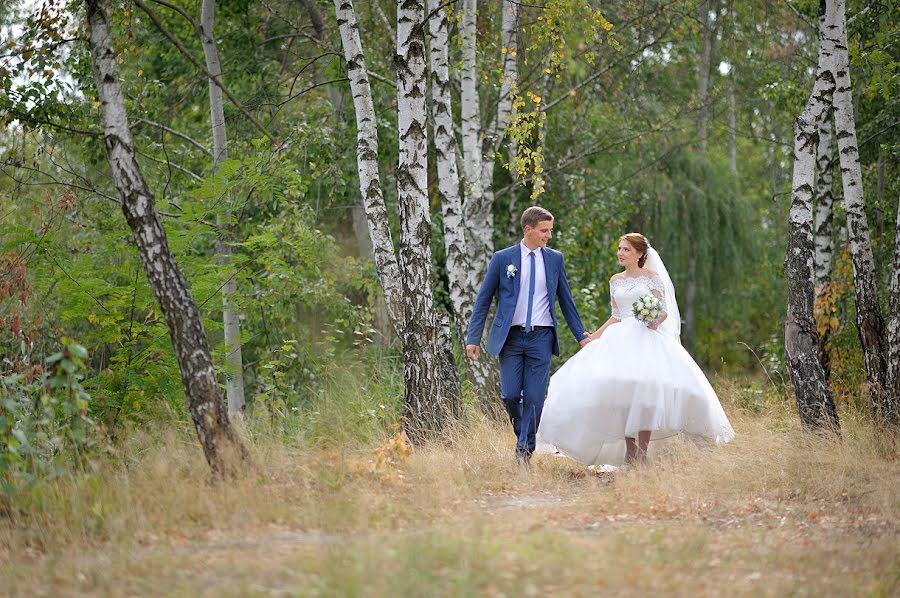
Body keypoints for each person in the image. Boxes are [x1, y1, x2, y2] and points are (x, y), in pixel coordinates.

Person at [537, 233, 735, 468]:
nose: (620, 253)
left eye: (626, 250)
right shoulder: (615, 280)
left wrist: (654, 321)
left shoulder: (652, 278)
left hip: (648, 338)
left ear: (640, 254)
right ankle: (630, 453)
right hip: (620, 339)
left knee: (647, 396)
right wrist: (594, 336)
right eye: (620, 249)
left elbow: (663, 310)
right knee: (625, 395)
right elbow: (616, 315)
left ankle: (642, 453)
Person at [466, 207, 591, 466]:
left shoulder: (555, 259)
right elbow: (484, 299)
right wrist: (473, 337)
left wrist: (581, 336)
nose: (549, 236)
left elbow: (566, 300)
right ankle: (525, 433)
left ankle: (523, 451)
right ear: (528, 229)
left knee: (534, 397)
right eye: (544, 231)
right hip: (510, 338)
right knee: (510, 395)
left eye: (550, 231)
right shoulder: (503, 259)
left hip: (541, 337)